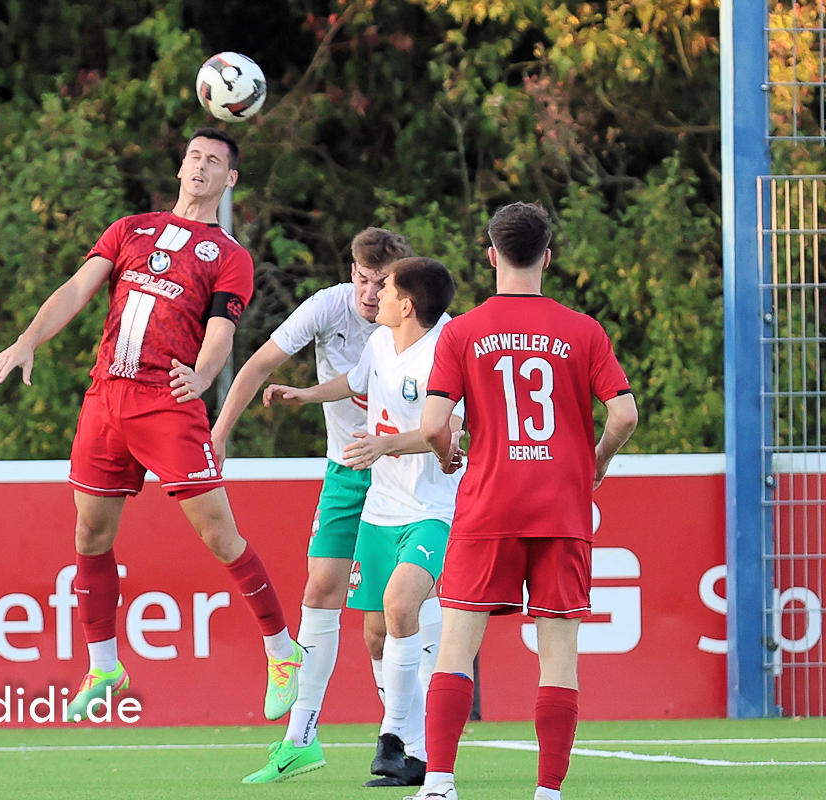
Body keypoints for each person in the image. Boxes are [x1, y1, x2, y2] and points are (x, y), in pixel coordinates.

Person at [0, 127, 302, 724]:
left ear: (230, 179)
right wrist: (27, 340)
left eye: (214, 162)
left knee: (220, 536)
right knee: (90, 535)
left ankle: (282, 651)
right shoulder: (131, 229)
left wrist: (203, 375)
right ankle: (105, 667)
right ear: (180, 167)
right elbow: (77, 288)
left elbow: (221, 330)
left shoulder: (229, 255)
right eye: (194, 157)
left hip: (167, 399)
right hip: (106, 397)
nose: (200, 167)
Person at [409, 202, 638, 800]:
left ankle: (439, 783)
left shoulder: (462, 331)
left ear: (492, 256)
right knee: (559, 654)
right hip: (561, 508)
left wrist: (447, 454)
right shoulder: (583, 330)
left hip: (489, 505)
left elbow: (433, 424)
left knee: (456, 647)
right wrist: (598, 459)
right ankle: (548, 791)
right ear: (547, 258)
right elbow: (624, 413)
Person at [210, 228, 414, 783]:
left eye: (381, 283)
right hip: (346, 471)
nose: (369, 293)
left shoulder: (419, 321)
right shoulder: (329, 307)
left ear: (400, 282)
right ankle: (300, 738)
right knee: (319, 590)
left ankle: (406, 738)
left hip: (402, 476)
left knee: (381, 624)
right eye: (362, 279)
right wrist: (220, 434)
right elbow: (258, 364)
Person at [264, 258, 465, 787]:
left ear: (407, 305)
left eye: (387, 288)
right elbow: (352, 383)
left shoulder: (444, 352)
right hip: (380, 509)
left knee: (400, 605)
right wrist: (304, 395)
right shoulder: (378, 343)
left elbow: (448, 428)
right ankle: (415, 753)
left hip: (430, 509)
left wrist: (385, 445)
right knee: (376, 632)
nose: (375, 296)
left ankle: (394, 737)